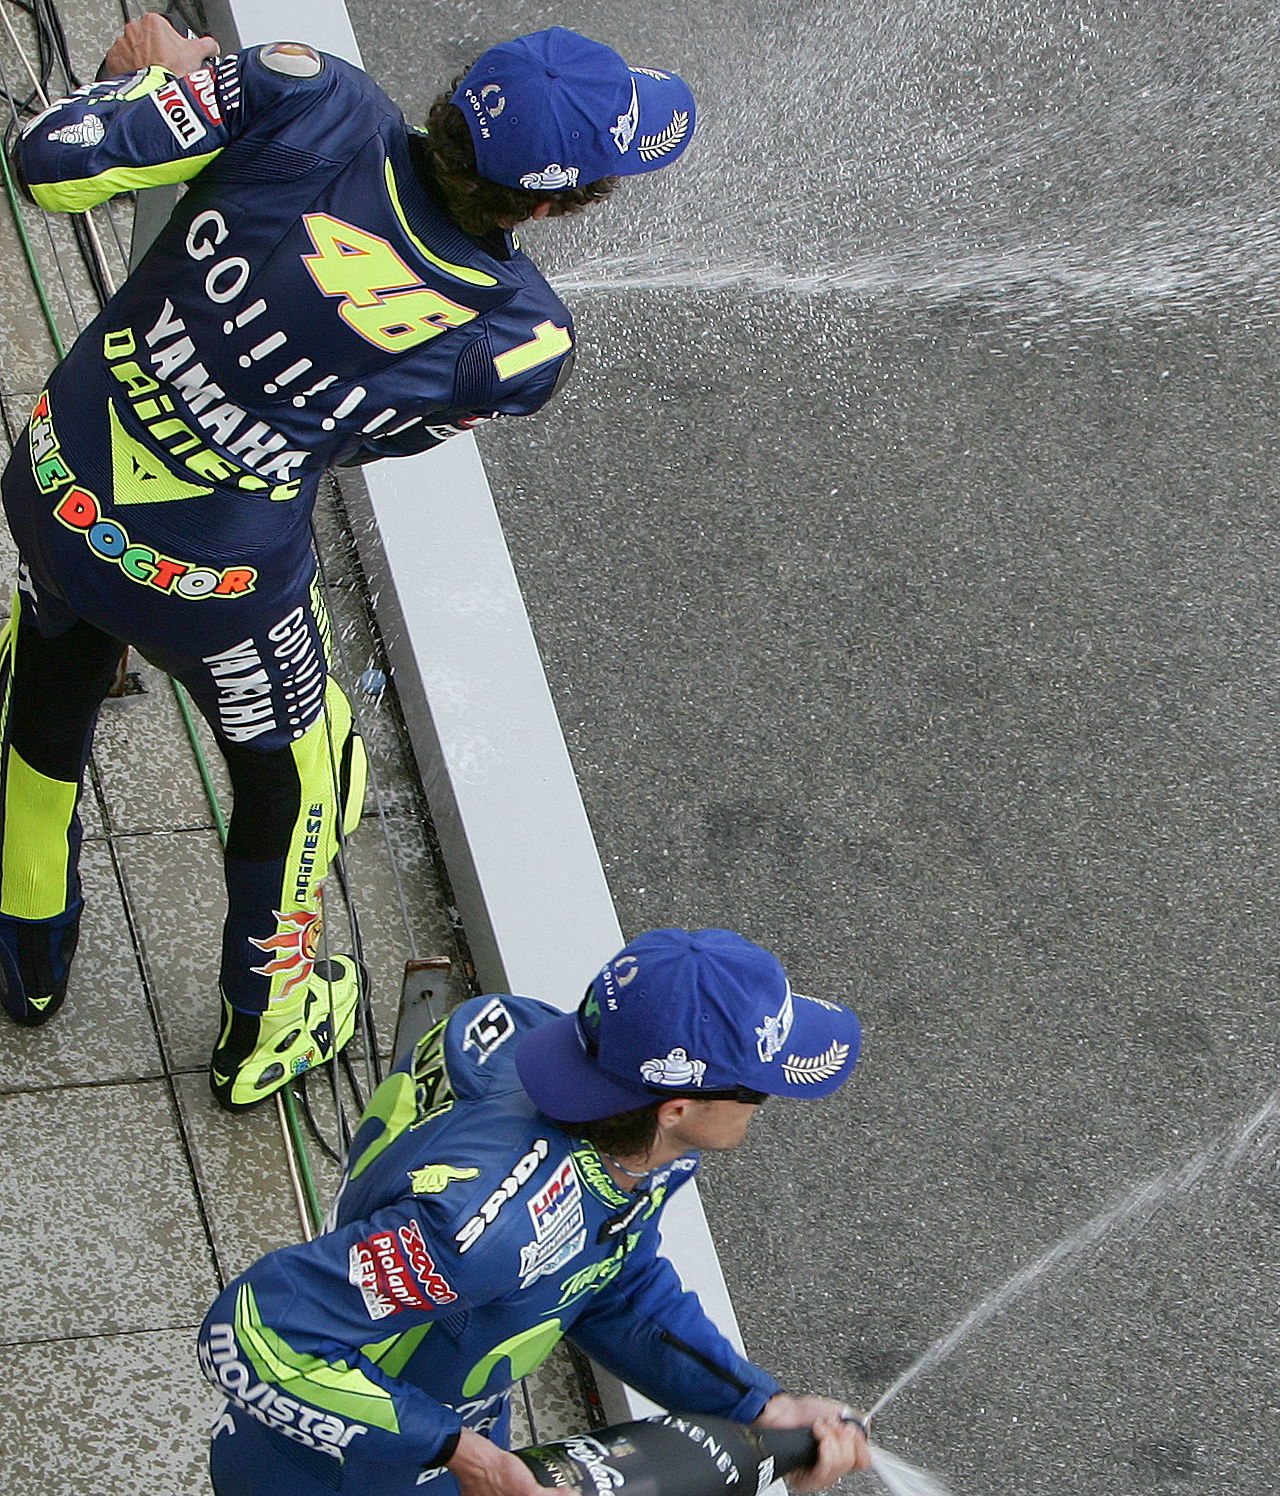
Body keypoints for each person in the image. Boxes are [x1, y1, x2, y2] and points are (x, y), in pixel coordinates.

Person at [0, 19, 696, 1108]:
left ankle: (24, 945)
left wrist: (154, 81)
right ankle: (266, 1027)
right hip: (215, 593)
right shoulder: (518, 338)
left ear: (454, 98)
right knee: (303, 773)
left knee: (52, 653)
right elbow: (370, 438)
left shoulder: (303, 88)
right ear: (554, 204)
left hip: (53, 479)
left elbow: (47, 164)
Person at [200, 927, 875, 1494]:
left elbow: (613, 1285)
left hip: (439, 1432)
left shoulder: (585, 1082)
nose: (765, 1105)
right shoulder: (485, 1226)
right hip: (342, 1472)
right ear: (679, 1107)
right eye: (759, 1091)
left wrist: (756, 1405)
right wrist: (470, 1457)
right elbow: (254, 1331)